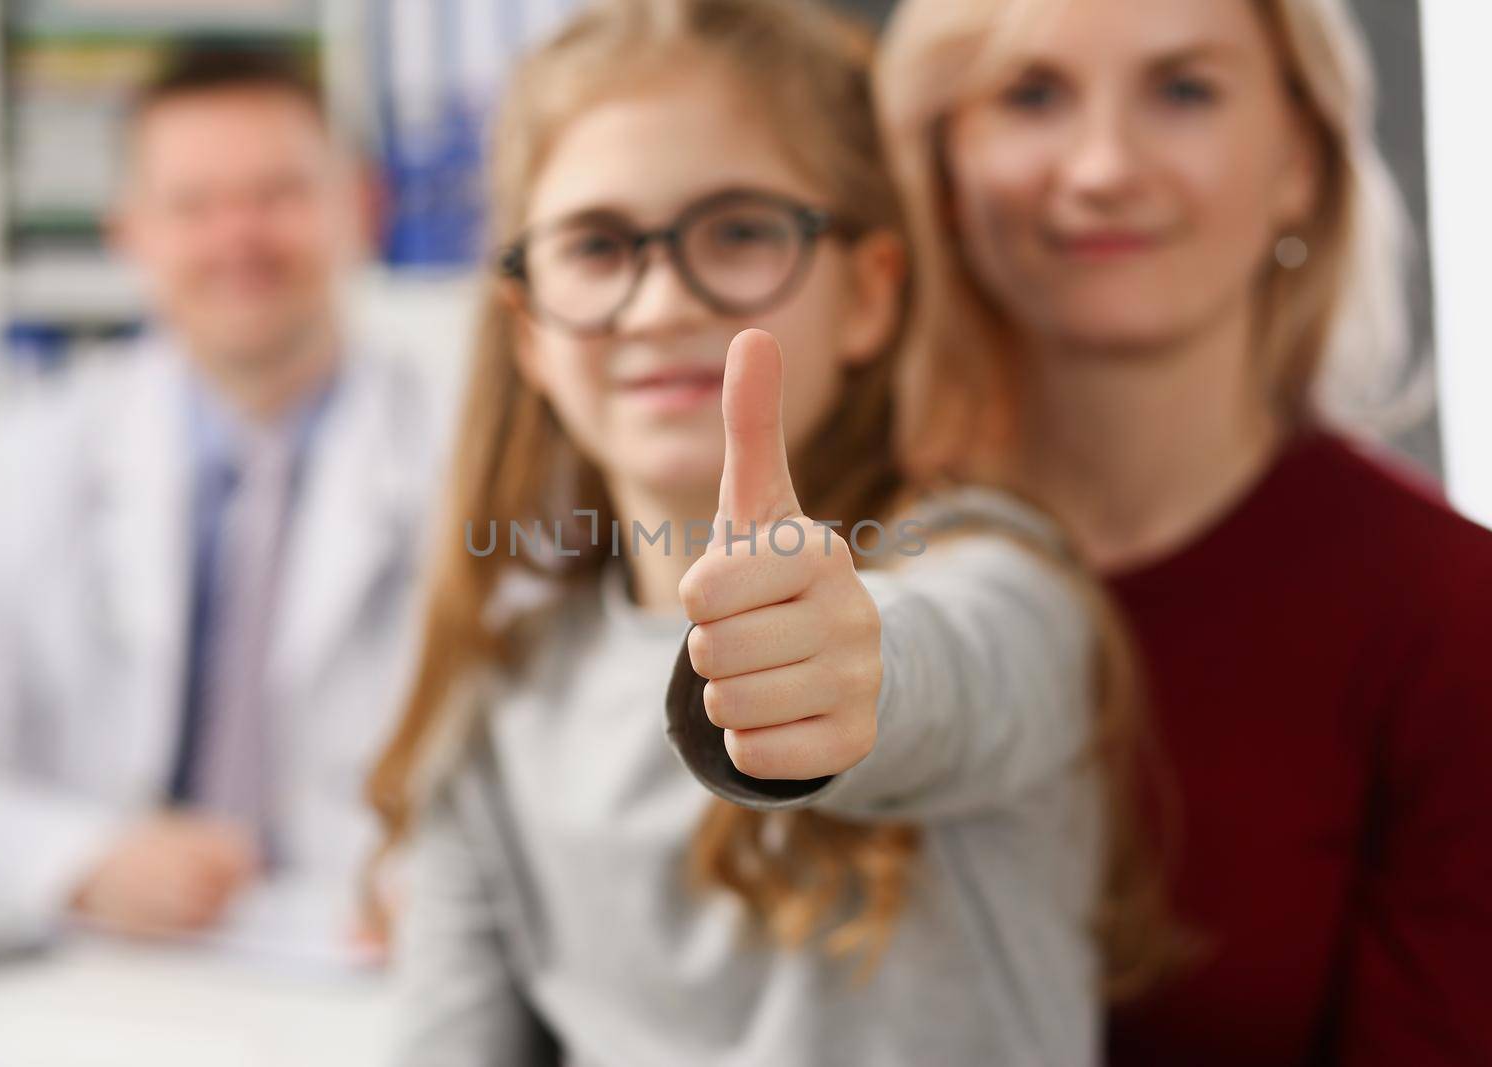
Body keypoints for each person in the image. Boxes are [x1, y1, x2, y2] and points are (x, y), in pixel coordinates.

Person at [371, 1, 1176, 1063]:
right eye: (598, 246)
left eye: (741, 230)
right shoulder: (499, 702)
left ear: (868, 295)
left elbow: (949, 668)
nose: (659, 303)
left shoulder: (996, 574)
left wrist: (843, 673)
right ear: (528, 326)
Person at [876, 0, 1492, 1063]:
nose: (1104, 165)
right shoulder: (839, 584)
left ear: (1299, 158)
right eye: (1030, 95)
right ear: (940, 162)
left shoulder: (1452, 610)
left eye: (1182, 90)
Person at [0, 48, 447, 944]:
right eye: (192, 206)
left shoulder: (466, 466)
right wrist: (80, 857)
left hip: (376, 978)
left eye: (278, 196)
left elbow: (546, 783)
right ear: (130, 233)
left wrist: (434, 888)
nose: (239, 240)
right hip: (95, 981)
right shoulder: (16, 464)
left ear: (365, 208)